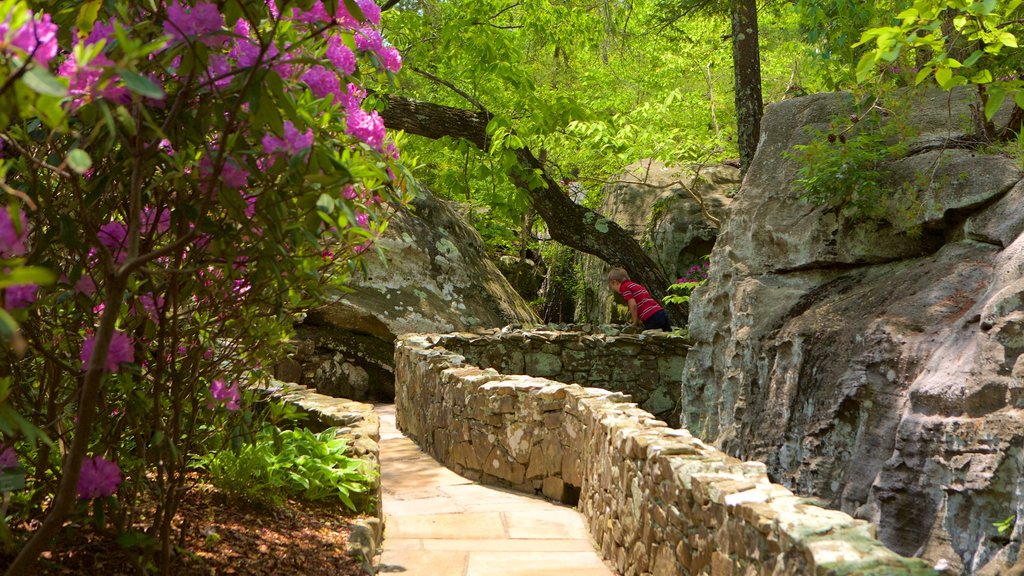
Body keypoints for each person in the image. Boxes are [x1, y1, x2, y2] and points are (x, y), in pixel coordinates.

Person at [606, 267, 672, 331]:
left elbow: (633, 305)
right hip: (661, 313)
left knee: (647, 338)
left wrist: (635, 322)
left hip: (651, 317)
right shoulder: (636, 286)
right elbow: (643, 303)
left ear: (615, 282)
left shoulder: (624, 287)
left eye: (611, 286)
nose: (613, 289)